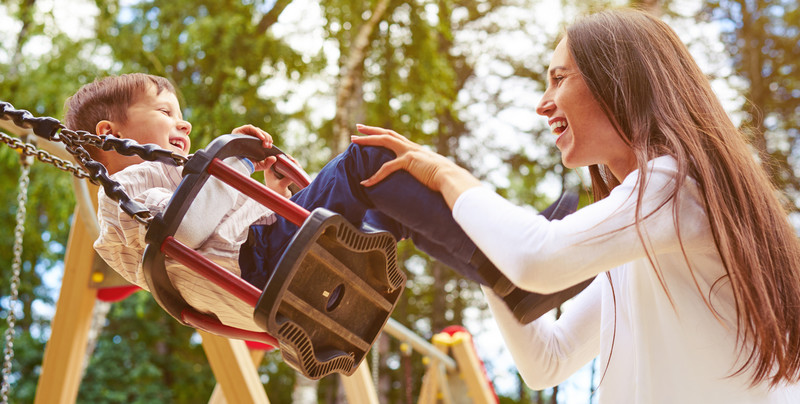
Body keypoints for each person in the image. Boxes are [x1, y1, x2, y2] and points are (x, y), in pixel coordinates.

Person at [351, 8, 800, 403]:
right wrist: (480, 252)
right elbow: (549, 360)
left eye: (559, 79)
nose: (542, 104)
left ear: (618, 82)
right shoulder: (645, 242)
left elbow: (537, 258)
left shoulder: (677, 186)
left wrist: (445, 174)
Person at [63, 73, 580, 333]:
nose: (184, 125)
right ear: (111, 133)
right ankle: (516, 252)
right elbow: (186, 230)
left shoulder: (170, 178)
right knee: (369, 160)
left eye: (182, 115)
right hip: (262, 265)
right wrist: (233, 164)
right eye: (165, 112)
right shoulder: (127, 188)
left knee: (393, 202)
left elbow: (222, 226)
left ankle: (507, 277)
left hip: (265, 264)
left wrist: (276, 192)